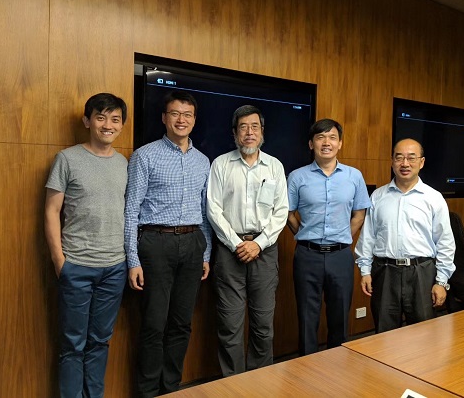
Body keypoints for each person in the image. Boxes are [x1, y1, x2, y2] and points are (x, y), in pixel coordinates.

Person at [124, 90, 212, 397]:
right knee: (154, 324)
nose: (181, 120)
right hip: (155, 243)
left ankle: (171, 389)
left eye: (187, 115)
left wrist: (206, 253)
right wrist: (133, 259)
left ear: (194, 120)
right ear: (164, 118)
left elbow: (205, 211)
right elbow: (131, 210)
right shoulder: (145, 155)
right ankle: (148, 392)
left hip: (193, 242)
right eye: (175, 113)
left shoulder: (203, 161)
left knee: (181, 323)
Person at [44, 92, 128, 398]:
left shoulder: (123, 163)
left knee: (99, 342)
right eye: (101, 117)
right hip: (77, 266)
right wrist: (60, 261)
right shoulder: (67, 159)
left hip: (114, 268)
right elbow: (51, 211)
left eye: (115, 119)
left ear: (121, 125)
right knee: (73, 345)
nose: (108, 125)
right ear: (87, 121)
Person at [206, 105, 288, 376]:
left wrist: (259, 243)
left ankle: (260, 383)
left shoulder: (274, 166)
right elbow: (213, 209)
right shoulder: (221, 164)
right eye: (243, 127)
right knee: (230, 325)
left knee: (263, 325)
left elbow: (281, 211)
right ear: (235, 133)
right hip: (230, 251)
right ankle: (232, 385)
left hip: (264, 250)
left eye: (255, 127)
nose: (249, 132)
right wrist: (236, 244)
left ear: (262, 132)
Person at [287, 119, 371, 355]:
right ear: (311, 144)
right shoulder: (297, 177)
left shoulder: (354, 176)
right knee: (307, 317)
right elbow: (288, 214)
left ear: (340, 143)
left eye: (332, 137)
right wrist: (304, 235)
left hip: (341, 256)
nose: (327, 143)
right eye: (320, 137)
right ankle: (306, 366)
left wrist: (342, 237)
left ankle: (338, 366)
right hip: (307, 255)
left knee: (340, 317)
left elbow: (359, 215)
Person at [355, 138, 455, 333]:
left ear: (421, 162)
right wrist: (365, 271)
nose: (405, 163)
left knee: (423, 335)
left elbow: (445, 242)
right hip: (385, 272)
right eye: (399, 158)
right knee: (384, 335)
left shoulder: (434, 198)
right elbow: (368, 237)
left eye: (411, 158)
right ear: (392, 162)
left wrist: (441, 282)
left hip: (421, 273)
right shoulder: (378, 196)